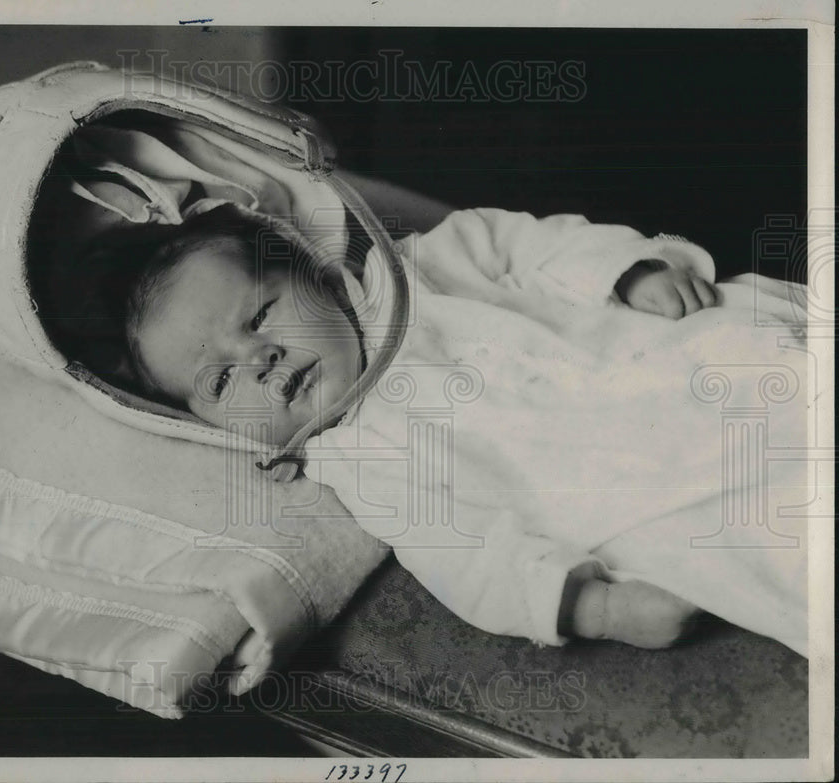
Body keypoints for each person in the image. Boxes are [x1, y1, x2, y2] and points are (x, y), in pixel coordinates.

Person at [109, 203, 812, 655]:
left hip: (663, 355)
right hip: (642, 492)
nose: (258, 360)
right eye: (221, 381)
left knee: (774, 354)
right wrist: (594, 606)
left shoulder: (417, 268)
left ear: (312, 273)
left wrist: (626, 271)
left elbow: (527, 246)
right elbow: (465, 554)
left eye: (260, 316)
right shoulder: (357, 459)